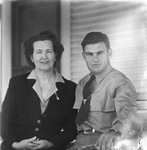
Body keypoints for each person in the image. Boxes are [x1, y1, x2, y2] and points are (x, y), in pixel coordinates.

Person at [0, 30, 77, 150]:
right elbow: (4, 121)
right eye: (38, 52)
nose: (44, 57)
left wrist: (51, 143)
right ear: (31, 57)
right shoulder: (17, 83)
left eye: (49, 51)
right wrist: (16, 144)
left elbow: (72, 129)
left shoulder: (71, 88)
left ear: (56, 55)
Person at [70, 32, 139, 150]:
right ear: (83, 56)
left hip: (105, 142)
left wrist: (115, 132)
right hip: (80, 141)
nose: (95, 59)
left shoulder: (120, 82)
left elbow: (127, 111)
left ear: (109, 53)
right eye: (89, 54)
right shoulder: (82, 83)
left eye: (99, 53)